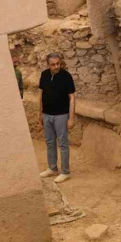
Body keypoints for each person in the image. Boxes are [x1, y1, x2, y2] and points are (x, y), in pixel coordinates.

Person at [38, 53, 75, 183]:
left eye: (58, 63)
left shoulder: (66, 76)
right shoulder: (44, 75)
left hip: (61, 116)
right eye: (53, 64)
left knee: (63, 143)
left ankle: (65, 172)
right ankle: (52, 168)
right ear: (48, 65)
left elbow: (72, 97)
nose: (56, 66)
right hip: (47, 114)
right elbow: (41, 95)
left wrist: (71, 118)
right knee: (49, 142)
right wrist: (40, 113)